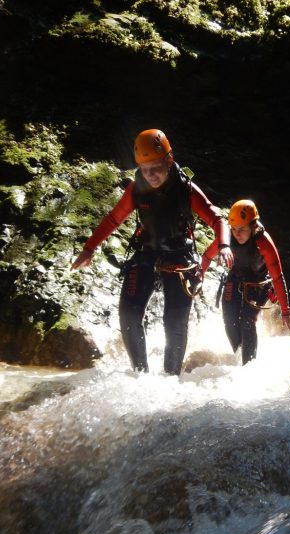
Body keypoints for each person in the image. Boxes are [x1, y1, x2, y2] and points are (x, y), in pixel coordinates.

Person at [71, 129, 233, 375]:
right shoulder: (137, 188)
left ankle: (170, 380)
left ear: (169, 160)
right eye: (145, 170)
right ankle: (140, 376)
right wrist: (89, 248)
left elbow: (218, 219)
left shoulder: (186, 189)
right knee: (128, 316)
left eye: (155, 168)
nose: (151, 175)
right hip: (147, 252)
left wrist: (223, 246)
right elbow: (114, 219)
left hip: (181, 257)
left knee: (175, 325)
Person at [197, 199, 290, 364]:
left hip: (259, 282)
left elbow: (277, 277)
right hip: (236, 277)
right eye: (234, 228)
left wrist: (286, 312)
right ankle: (240, 357)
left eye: (242, 229)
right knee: (229, 319)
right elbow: (207, 256)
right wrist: (199, 275)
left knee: (246, 320)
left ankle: (248, 366)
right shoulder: (227, 238)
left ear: (253, 226)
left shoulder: (263, 242)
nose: (237, 234)